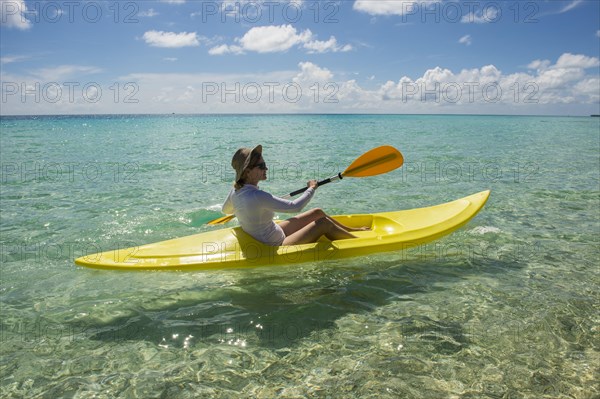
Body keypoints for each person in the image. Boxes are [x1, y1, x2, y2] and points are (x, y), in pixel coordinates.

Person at [222, 145, 368, 246]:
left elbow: (226, 210)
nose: (266, 168)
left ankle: (352, 230)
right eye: (261, 166)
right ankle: (358, 242)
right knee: (323, 223)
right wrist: (311, 188)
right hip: (276, 244)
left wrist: (243, 210)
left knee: (317, 212)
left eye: (264, 163)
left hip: (275, 231)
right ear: (247, 172)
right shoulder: (258, 196)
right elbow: (295, 207)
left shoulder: (235, 191)